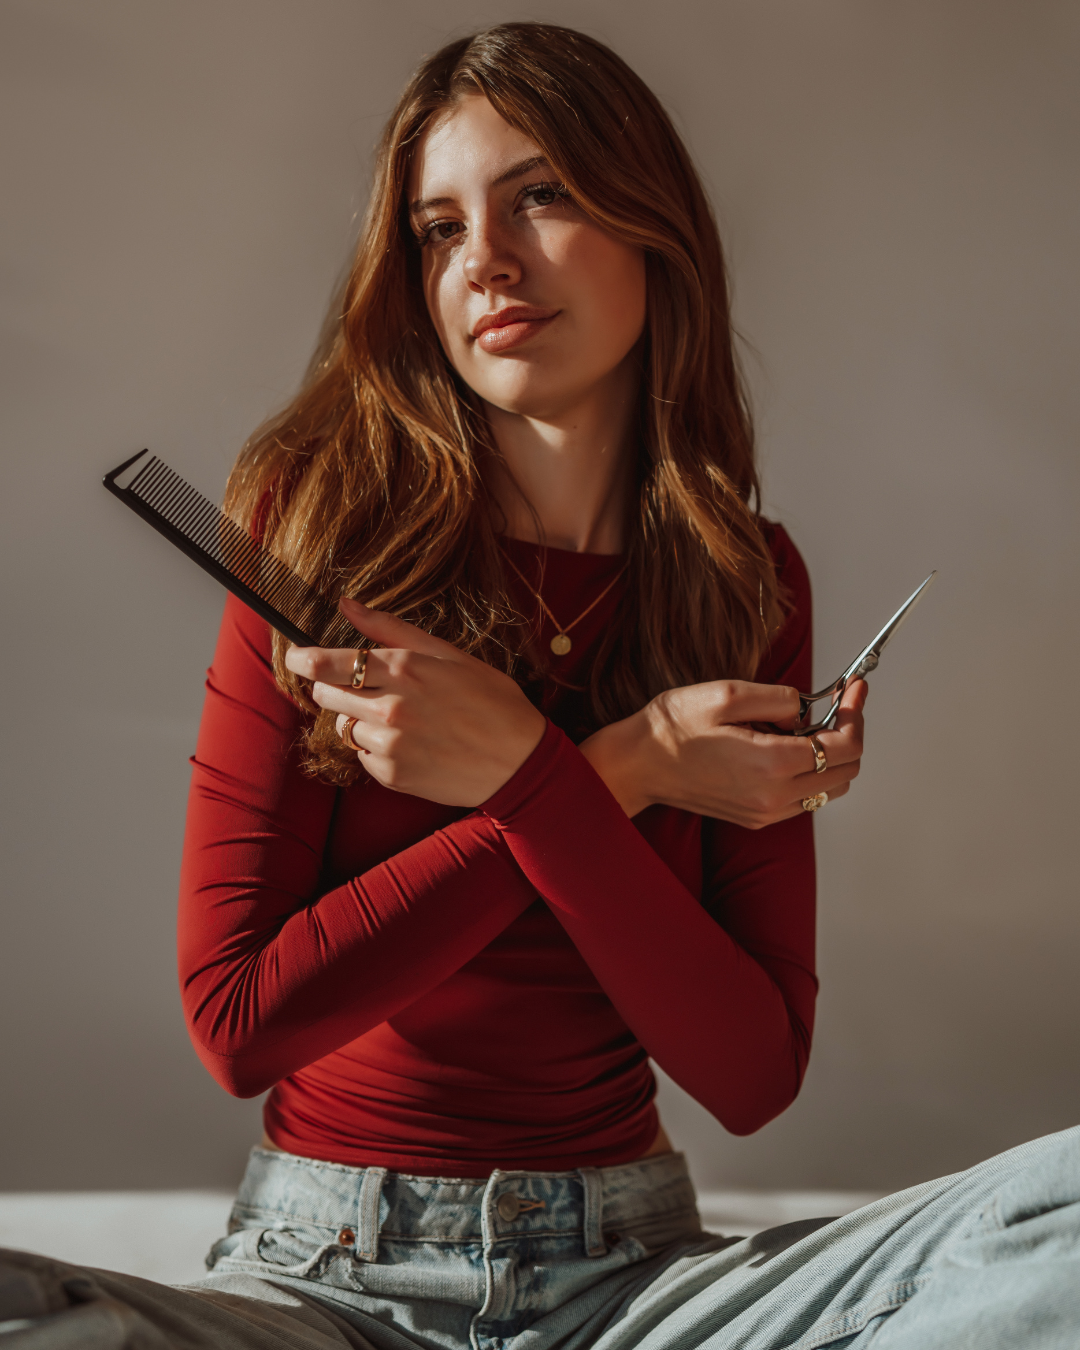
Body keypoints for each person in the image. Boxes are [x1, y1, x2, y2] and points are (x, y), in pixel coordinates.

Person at [3, 21, 1077, 1350]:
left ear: (652, 223)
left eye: (542, 196)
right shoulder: (313, 532)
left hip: (633, 1291)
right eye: (439, 228)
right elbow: (238, 1023)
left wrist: (529, 775)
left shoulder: (747, 584)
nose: (487, 264)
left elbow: (749, 1075)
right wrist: (612, 771)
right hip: (323, 1290)